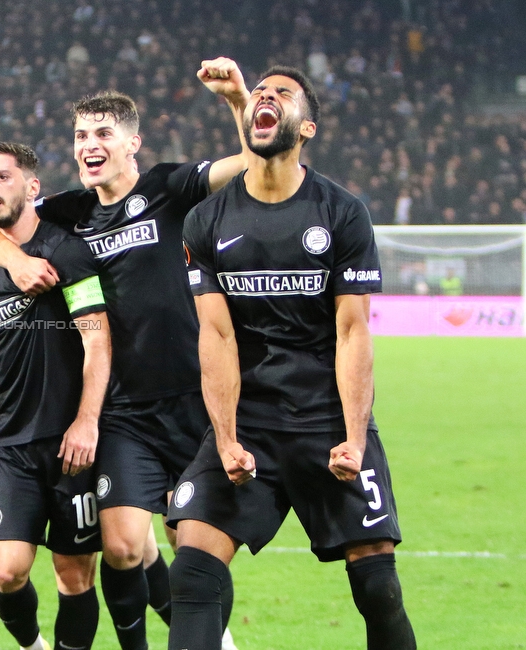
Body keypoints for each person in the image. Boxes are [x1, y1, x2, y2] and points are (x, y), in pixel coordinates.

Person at [0, 58, 249, 650]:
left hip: (195, 398)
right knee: (121, 545)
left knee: (191, 547)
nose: (89, 146)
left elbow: (251, 162)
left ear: (132, 144)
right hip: (121, 410)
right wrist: (17, 262)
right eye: (80, 136)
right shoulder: (72, 212)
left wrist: (237, 100)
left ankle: (215, 640)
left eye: (102, 135)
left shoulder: (168, 188)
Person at [170, 66, 416, 650]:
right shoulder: (206, 221)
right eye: (259, 93)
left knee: (377, 586)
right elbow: (217, 337)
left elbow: (354, 333)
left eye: (280, 94)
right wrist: (226, 439)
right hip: (251, 421)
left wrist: (355, 438)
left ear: (305, 126)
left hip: (327, 418)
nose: (264, 98)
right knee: (193, 569)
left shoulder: (342, 212)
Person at [0, 142, 112, 650]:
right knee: (8, 572)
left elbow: (96, 338)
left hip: (70, 446)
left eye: (1, 177)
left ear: (32, 187)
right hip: (12, 444)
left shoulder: (68, 251)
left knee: (74, 575)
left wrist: (87, 421)